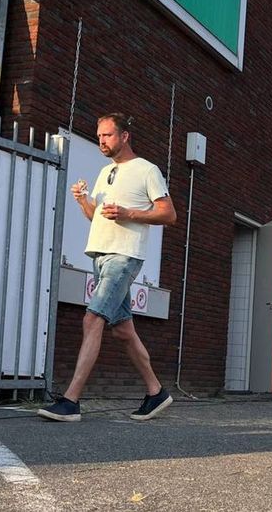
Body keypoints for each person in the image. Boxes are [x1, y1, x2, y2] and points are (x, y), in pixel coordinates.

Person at [39, 114, 177, 422]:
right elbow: (97, 217)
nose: (102, 140)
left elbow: (169, 215)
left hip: (124, 256)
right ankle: (157, 393)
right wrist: (83, 201)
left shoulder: (146, 170)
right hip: (101, 256)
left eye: (108, 135)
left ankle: (71, 401)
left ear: (125, 136)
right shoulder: (105, 173)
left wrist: (130, 212)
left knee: (92, 319)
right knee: (123, 330)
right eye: (99, 136)